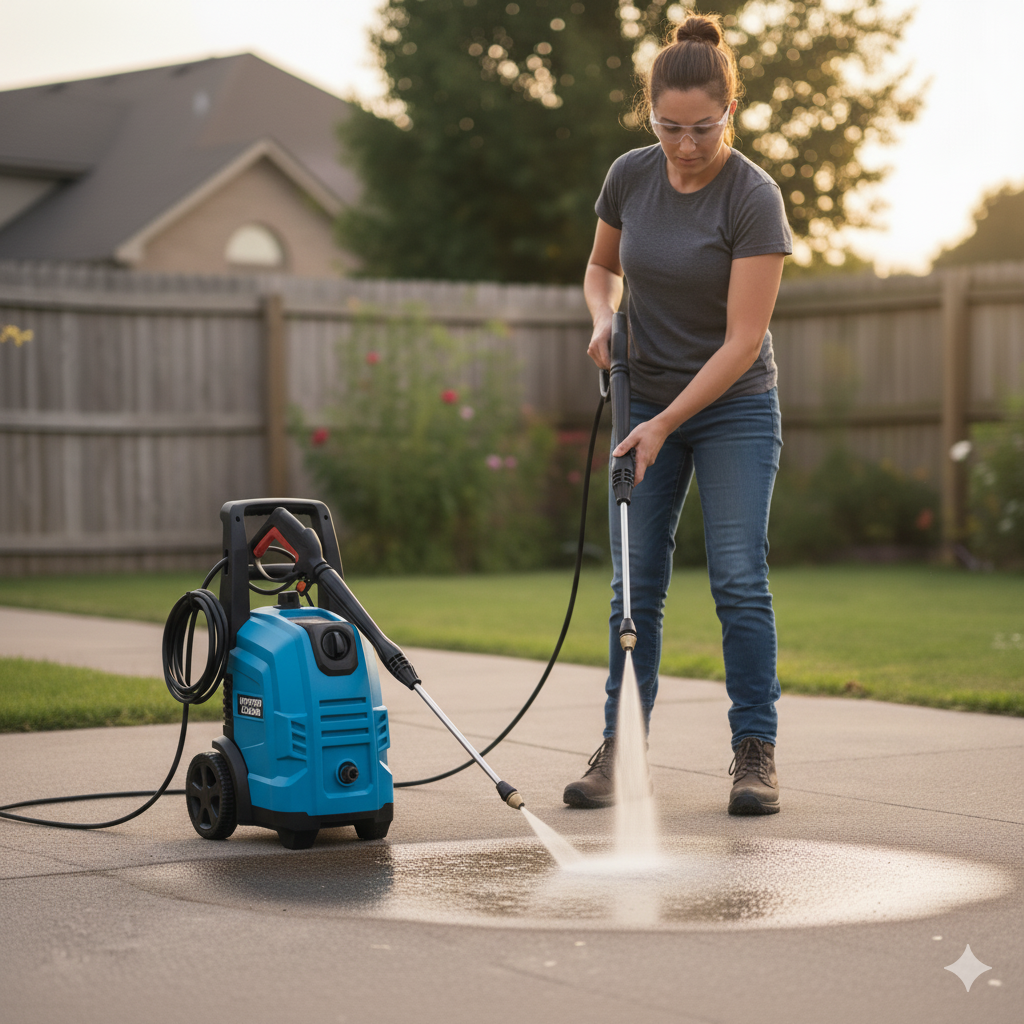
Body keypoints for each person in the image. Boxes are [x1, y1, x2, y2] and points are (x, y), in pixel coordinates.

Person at [563, 12, 793, 815]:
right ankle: (622, 750)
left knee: (737, 578)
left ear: (731, 110)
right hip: (645, 396)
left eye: (704, 126)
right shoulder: (630, 175)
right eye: (670, 126)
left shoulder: (754, 197)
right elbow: (600, 268)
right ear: (649, 112)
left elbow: (741, 342)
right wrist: (602, 317)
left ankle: (754, 753)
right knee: (636, 588)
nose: (686, 144)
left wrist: (663, 426)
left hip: (734, 407)